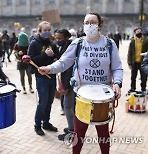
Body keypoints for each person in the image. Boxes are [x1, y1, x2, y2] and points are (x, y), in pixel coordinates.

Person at [38, 13, 123, 154]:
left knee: (103, 133)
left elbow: (117, 68)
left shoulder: (109, 44)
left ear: (100, 25)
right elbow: (64, 62)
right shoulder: (78, 43)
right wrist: (49, 68)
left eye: (93, 22)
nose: (89, 25)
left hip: (102, 97)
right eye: (86, 22)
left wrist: (117, 83)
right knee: (79, 132)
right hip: (83, 96)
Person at [27, 21, 60, 136]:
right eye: (44, 30)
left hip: (52, 75)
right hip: (41, 77)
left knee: (50, 101)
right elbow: (31, 60)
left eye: (48, 30)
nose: (47, 32)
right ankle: (37, 125)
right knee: (43, 102)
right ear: (40, 31)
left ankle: (46, 122)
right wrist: (45, 55)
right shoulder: (34, 43)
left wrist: (55, 57)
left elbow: (58, 57)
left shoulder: (52, 43)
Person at [54, 29, 76, 141]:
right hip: (69, 81)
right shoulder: (66, 46)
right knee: (69, 106)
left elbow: (68, 69)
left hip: (70, 82)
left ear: (67, 38)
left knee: (68, 107)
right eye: (56, 38)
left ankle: (72, 132)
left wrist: (66, 86)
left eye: (60, 38)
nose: (57, 40)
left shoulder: (68, 48)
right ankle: (72, 127)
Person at [127, 27, 148, 92]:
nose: (139, 33)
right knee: (133, 77)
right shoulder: (132, 41)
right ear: (135, 33)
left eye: (140, 31)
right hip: (134, 62)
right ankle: (133, 88)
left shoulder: (145, 40)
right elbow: (129, 52)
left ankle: (143, 88)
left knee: (144, 77)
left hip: (142, 62)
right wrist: (129, 63)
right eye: (137, 31)